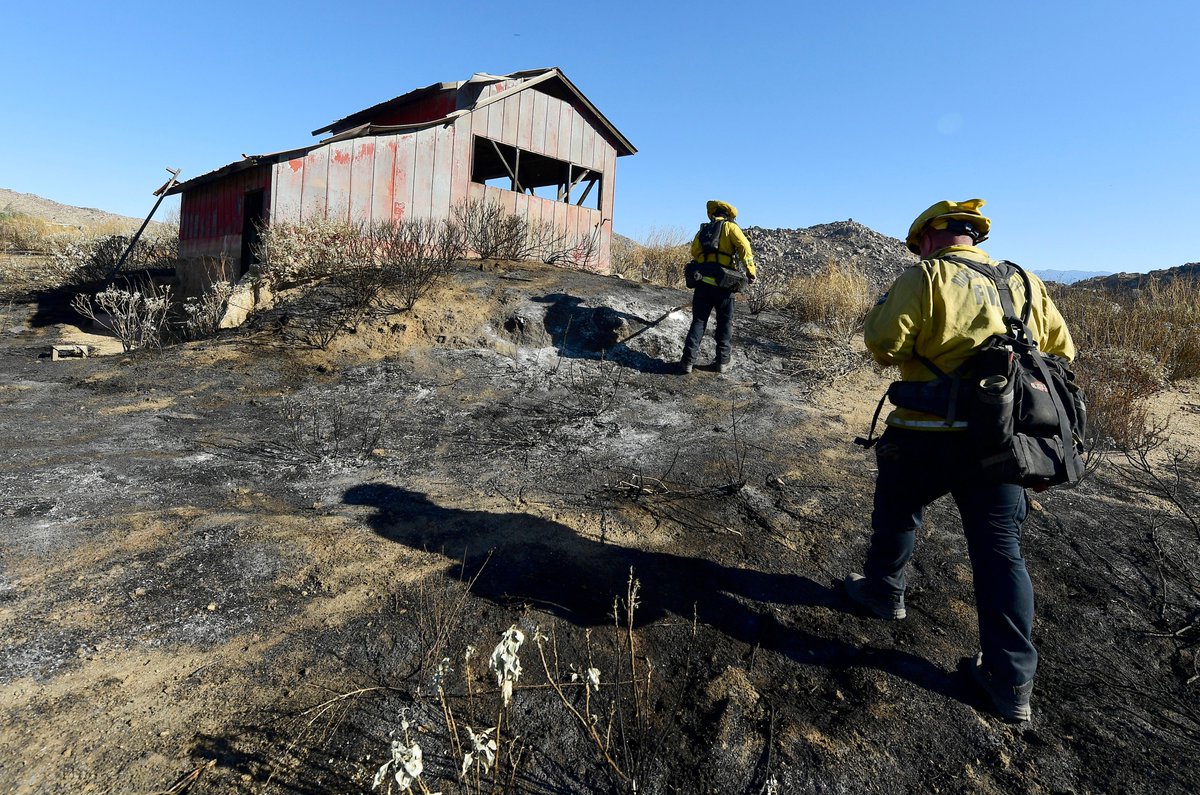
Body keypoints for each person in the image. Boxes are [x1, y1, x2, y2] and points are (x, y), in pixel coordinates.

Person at [844, 198, 1076, 722]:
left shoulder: (924, 276)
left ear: (928, 237)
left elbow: (882, 344)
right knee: (1001, 553)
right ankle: (1010, 683)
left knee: (899, 510)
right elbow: (1062, 349)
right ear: (974, 237)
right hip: (1000, 443)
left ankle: (883, 593)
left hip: (923, 435)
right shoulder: (1025, 281)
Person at [679, 200, 757, 374]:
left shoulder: (704, 230)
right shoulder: (731, 228)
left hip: (703, 284)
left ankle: (687, 362)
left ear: (713, 213)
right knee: (724, 323)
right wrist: (751, 271)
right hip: (724, 285)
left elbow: (694, 251)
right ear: (729, 215)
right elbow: (744, 247)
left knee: (698, 322)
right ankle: (722, 362)